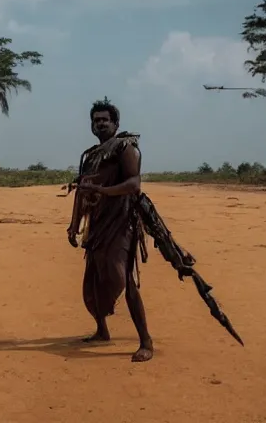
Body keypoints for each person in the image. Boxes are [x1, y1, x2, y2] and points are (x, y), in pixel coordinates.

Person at [67, 97, 154, 362]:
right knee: (94, 280)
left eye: (105, 120)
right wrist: (74, 224)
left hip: (121, 223)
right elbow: (82, 191)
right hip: (98, 225)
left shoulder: (126, 147)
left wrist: (102, 190)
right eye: (96, 120)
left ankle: (145, 342)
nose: (100, 124)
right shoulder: (91, 156)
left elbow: (133, 185)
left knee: (124, 279)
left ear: (116, 123)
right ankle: (101, 330)